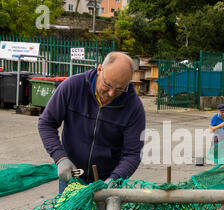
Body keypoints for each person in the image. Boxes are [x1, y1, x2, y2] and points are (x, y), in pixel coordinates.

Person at [38, 51, 146, 193]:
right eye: (107, 85)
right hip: (72, 177)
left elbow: (133, 153)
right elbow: (47, 123)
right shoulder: (72, 87)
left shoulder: (133, 107)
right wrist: (60, 158)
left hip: (108, 181)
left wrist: (115, 179)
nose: (111, 93)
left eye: (120, 89)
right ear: (100, 69)